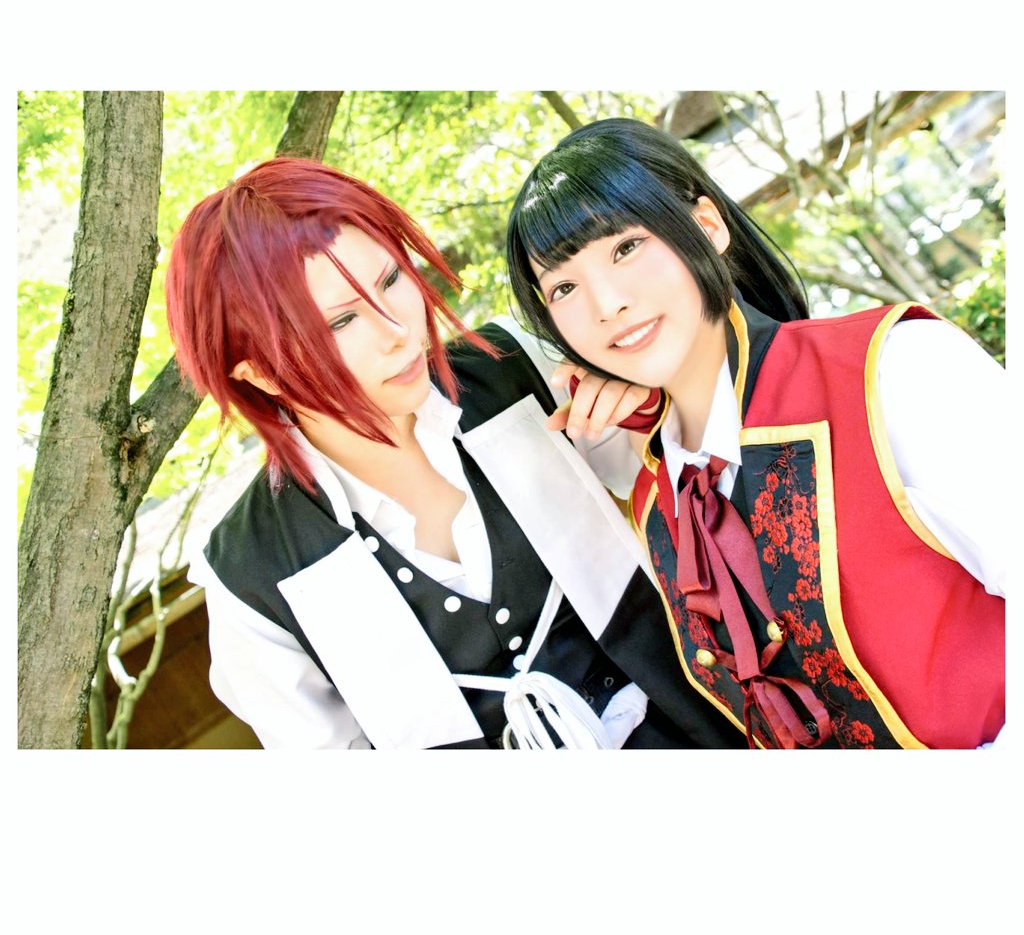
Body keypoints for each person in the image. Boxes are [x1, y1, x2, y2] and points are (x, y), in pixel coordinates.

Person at [165, 156, 747, 749]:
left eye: (391, 280)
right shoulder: (251, 575)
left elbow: (710, 495)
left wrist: (649, 404)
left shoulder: (521, 368)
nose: (397, 330)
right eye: (340, 323)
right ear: (259, 372)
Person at [505, 117, 1006, 749]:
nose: (606, 305)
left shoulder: (895, 369)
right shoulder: (657, 503)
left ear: (707, 226)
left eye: (625, 248)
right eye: (564, 287)